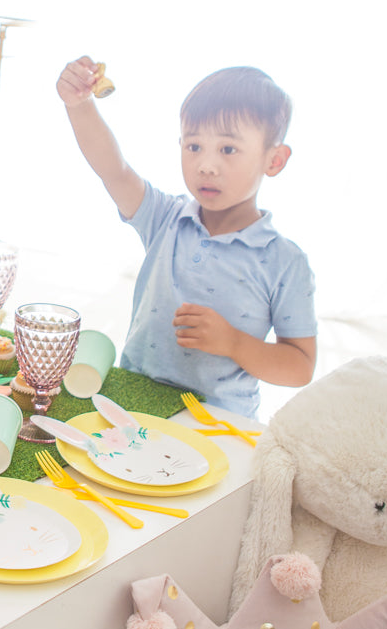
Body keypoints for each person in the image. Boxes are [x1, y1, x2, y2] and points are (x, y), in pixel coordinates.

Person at [56, 60, 316, 418]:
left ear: (274, 160)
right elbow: (114, 170)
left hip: (219, 425)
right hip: (134, 409)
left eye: (227, 149)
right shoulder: (165, 218)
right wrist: (79, 105)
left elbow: (300, 366)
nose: (206, 165)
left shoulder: (285, 261)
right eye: (194, 146)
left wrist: (234, 343)